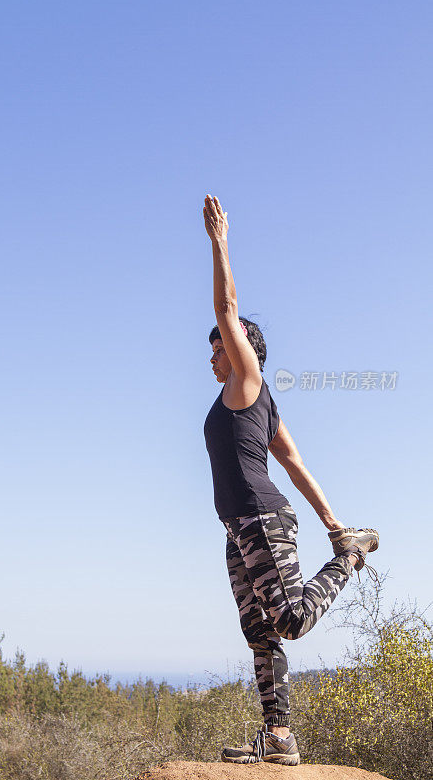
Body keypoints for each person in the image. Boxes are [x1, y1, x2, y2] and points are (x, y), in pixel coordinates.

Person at [202, 194, 379, 766]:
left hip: (261, 517)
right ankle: (279, 738)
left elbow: (228, 308)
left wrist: (219, 241)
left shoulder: (248, 380)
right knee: (259, 631)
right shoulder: (259, 407)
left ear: (241, 351)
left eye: (218, 349)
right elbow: (297, 465)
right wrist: (334, 522)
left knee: (290, 619)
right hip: (238, 526)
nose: (212, 356)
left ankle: (349, 561)